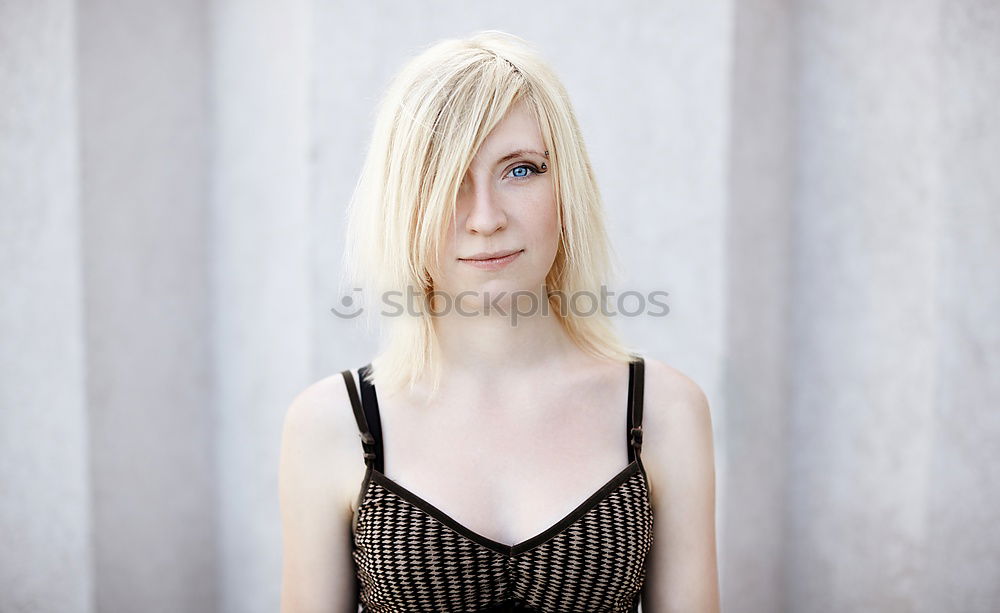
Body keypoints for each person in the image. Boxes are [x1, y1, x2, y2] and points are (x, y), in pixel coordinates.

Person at [278, 30, 720, 613]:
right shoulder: (332, 423)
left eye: (520, 170)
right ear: (402, 205)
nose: (485, 219)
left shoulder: (663, 411)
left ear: (568, 188)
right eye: (444, 177)